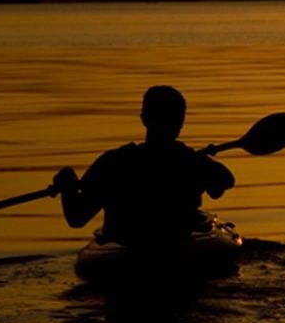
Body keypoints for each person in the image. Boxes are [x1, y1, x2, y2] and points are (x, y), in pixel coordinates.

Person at [52, 86, 235, 243]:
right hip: (178, 251)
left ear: (144, 118)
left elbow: (77, 218)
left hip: (125, 253)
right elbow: (226, 182)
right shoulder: (192, 161)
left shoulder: (113, 162)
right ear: (180, 123)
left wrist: (67, 183)